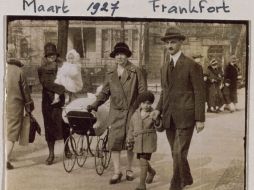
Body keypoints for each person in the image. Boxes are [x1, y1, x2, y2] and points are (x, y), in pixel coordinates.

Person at [153, 27, 205, 190]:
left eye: (173, 42)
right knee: (177, 154)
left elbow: (199, 93)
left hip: (186, 117)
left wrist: (200, 118)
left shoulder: (192, 65)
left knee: (178, 153)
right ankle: (187, 178)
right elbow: (165, 92)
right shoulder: (164, 67)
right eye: (167, 43)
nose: (170, 46)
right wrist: (158, 109)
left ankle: (175, 186)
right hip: (169, 117)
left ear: (181, 43)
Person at [87, 42, 146, 184]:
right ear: (114, 57)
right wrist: (95, 104)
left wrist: (141, 109)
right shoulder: (110, 73)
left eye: (123, 54)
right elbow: (105, 92)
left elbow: (143, 92)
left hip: (131, 111)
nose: (120, 57)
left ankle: (129, 169)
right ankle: (117, 171)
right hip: (115, 112)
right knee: (114, 141)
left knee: (130, 141)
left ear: (127, 56)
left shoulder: (136, 71)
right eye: (117, 54)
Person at [37, 42, 70, 165]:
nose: (52, 56)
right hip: (49, 102)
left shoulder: (63, 67)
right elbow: (46, 83)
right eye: (49, 55)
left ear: (56, 55)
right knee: (49, 127)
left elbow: (70, 78)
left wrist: (70, 87)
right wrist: (63, 89)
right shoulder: (42, 68)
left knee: (66, 125)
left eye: (53, 54)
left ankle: (67, 149)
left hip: (62, 101)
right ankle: (51, 154)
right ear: (45, 56)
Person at [127, 91, 162, 190]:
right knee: (142, 161)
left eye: (149, 103)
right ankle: (151, 172)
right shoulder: (135, 114)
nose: (147, 105)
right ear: (140, 103)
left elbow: (159, 127)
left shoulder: (153, 113)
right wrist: (129, 139)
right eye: (144, 103)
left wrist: (157, 120)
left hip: (148, 141)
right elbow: (131, 128)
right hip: (138, 142)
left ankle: (142, 185)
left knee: (143, 161)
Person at [6, 58, 34, 169]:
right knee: (12, 134)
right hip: (14, 105)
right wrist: (29, 106)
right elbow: (25, 91)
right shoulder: (19, 71)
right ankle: (5, 160)